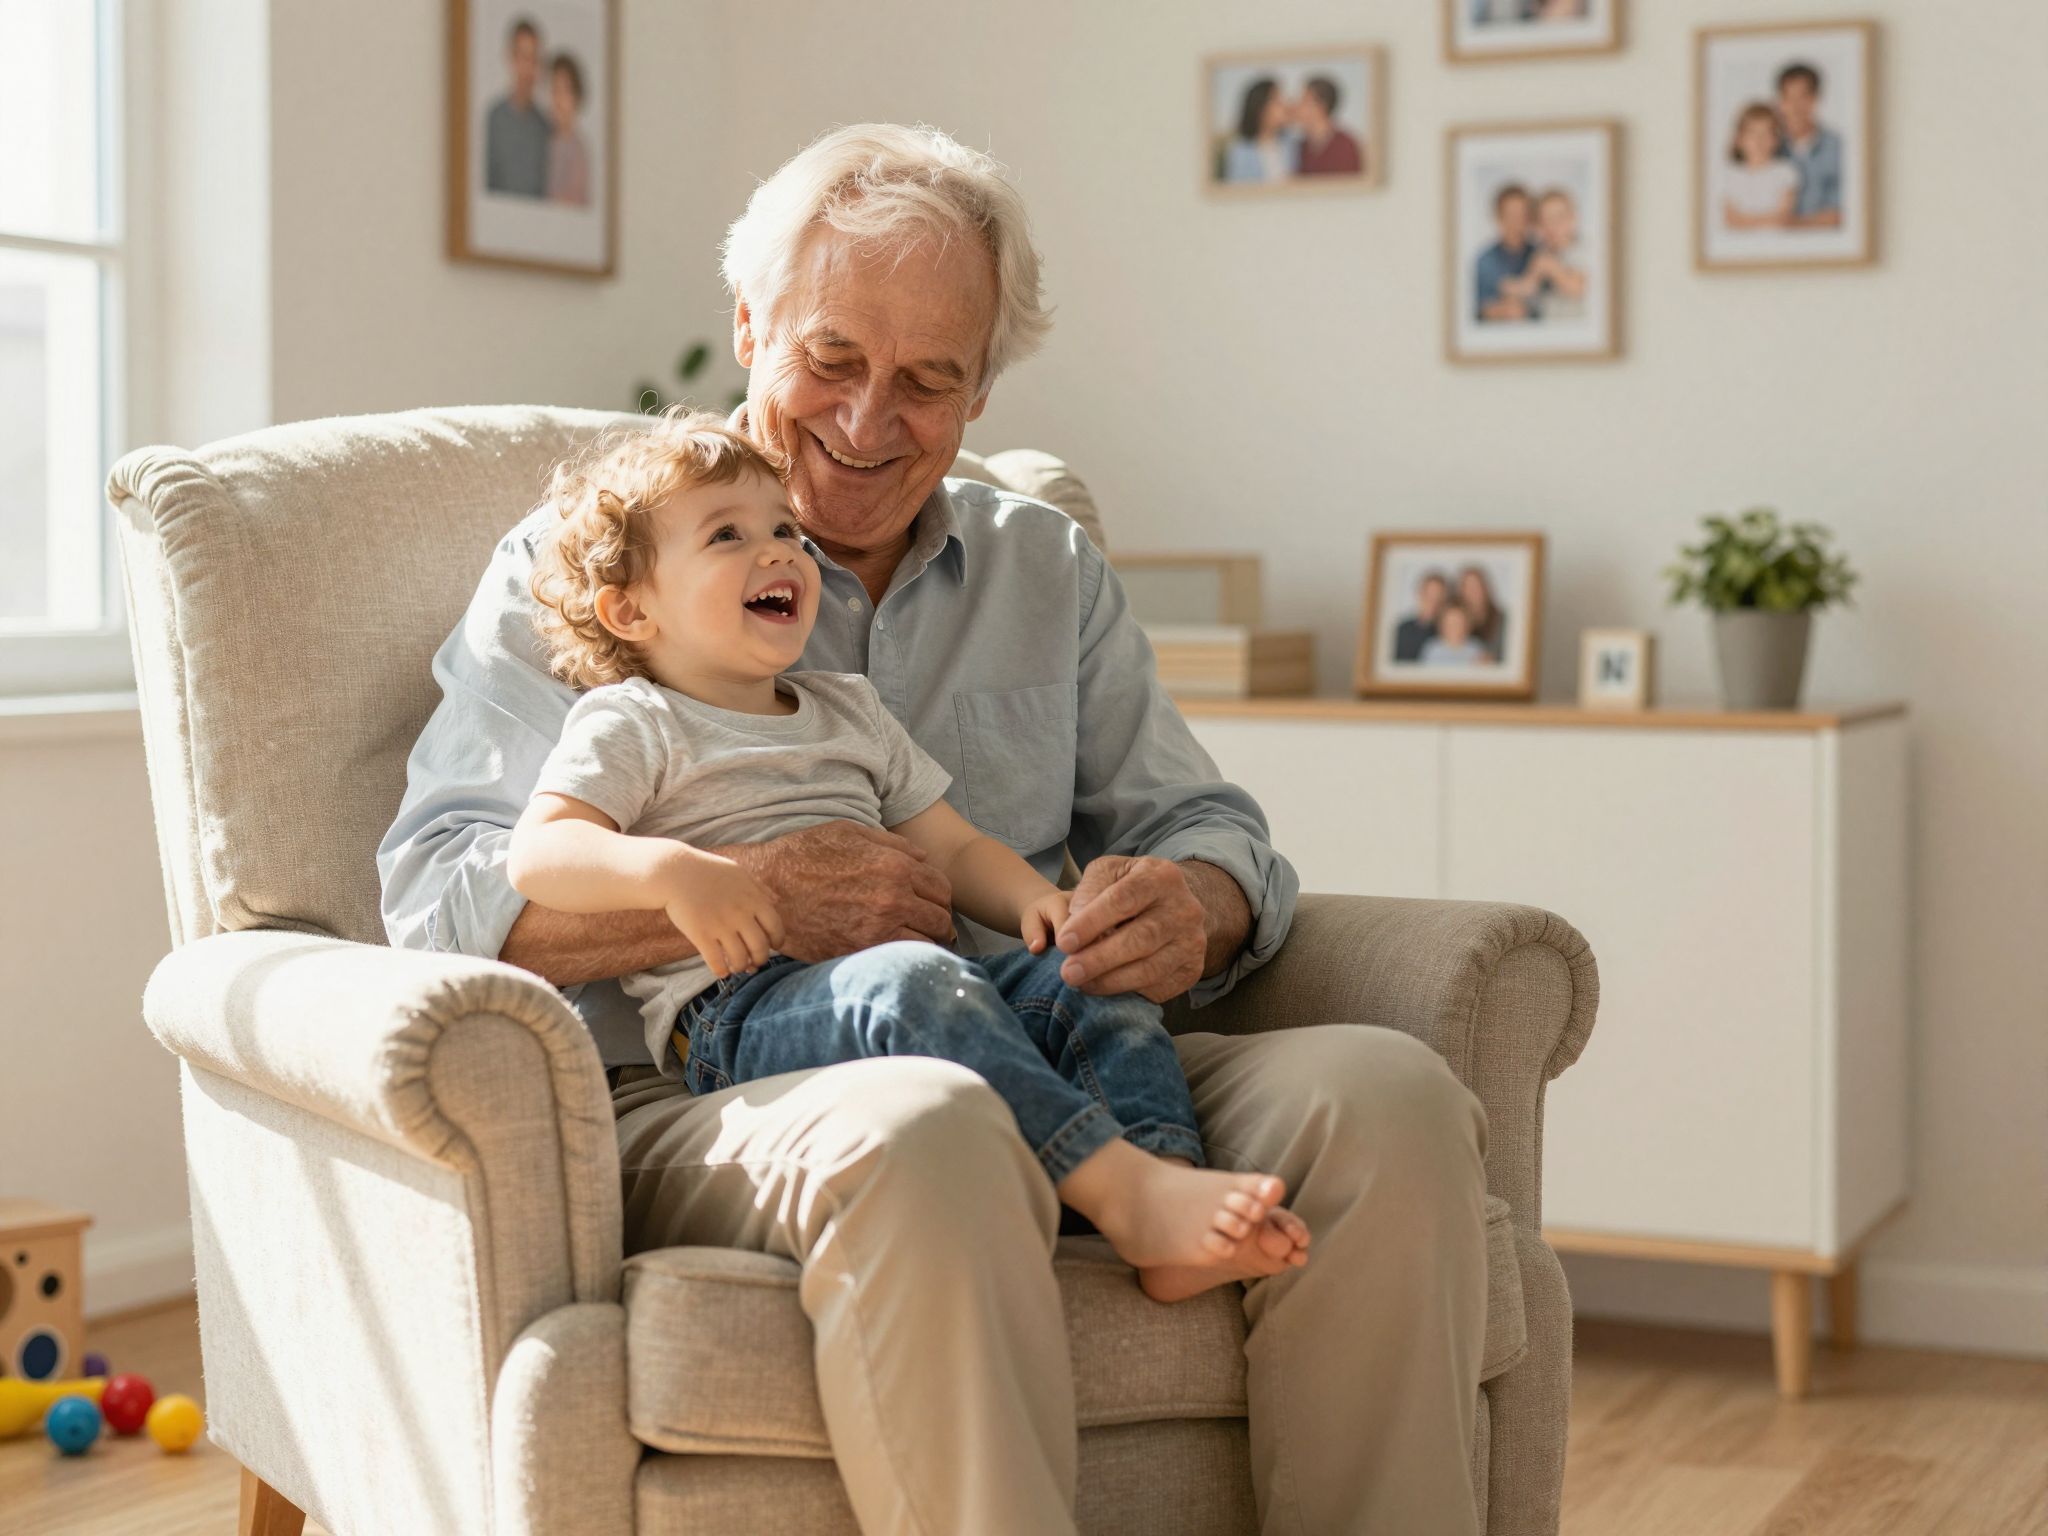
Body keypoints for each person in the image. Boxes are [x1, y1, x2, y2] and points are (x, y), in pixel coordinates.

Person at [380, 123, 1489, 1535]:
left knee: (1384, 1098)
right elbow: (436, 900)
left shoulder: (1043, 565)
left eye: (926, 380)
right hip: (709, 1083)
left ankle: (1152, 1198)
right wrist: (746, 894)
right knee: (934, 1122)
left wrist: (1192, 902)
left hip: (1022, 1025)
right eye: (831, 358)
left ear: (981, 390)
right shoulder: (604, 575)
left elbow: (1201, 824)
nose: (867, 421)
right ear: (749, 329)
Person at [509, 413, 1310, 1302]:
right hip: (739, 1014)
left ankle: (1171, 1195)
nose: (776, 552)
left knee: (1083, 977)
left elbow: (953, 843)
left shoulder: (847, 709)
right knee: (914, 981)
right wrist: (673, 875)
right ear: (631, 608)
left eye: (785, 530)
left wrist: (1041, 907)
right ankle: (1122, 1191)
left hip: (919, 984)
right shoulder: (633, 721)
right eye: (727, 535)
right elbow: (542, 852)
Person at [483, 17, 551, 198]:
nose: (528, 69)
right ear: (511, 58)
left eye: (534, 59)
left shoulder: (545, 127)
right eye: (524, 58)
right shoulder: (493, 119)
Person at [1777, 61, 1844, 227]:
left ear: (1816, 99)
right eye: (1788, 98)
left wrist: (1794, 225)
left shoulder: (1838, 148)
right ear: (1780, 101)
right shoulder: (1768, 147)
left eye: (1802, 97)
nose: (1795, 107)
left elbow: (1843, 214)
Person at [1721, 102, 1799, 230]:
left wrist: (1746, 220)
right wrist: (1766, 220)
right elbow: (1731, 219)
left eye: (1766, 133)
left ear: (1776, 139)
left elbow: (1783, 217)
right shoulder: (1731, 174)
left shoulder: (1785, 172)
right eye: (1752, 133)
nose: (1759, 140)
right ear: (1739, 139)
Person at [1522, 186, 1589, 321]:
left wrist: (1551, 268)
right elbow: (1528, 290)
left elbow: (1578, 289)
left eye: (1558, 218)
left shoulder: (1584, 250)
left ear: (1573, 218)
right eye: (1545, 221)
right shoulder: (1541, 253)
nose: (1551, 226)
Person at [1475, 183, 1536, 321]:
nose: (1517, 222)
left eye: (1522, 215)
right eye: (1511, 215)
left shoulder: (1538, 254)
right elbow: (1482, 308)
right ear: (1498, 217)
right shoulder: (1484, 262)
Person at [1222, 77, 1299, 184]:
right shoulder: (1239, 150)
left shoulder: (1292, 142)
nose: (1284, 105)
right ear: (1260, 109)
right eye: (1277, 100)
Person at [1293, 76, 1364, 178]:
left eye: (1304, 101)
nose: (1297, 106)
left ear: (1321, 106)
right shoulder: (1300, 148)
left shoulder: (1345, 145)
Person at [545, 52, 591, 206]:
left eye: (565, 91)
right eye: (554, 90)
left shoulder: (578, 151)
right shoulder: (543, 140)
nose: (558, 99)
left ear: (576, 97)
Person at [1394, 570, 1449, 662]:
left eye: (1438, 597)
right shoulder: (1403, 629)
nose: (1433, 602)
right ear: (1420, 594)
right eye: (1429, 595)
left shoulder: (1448, 632)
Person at [1457, 565, 1508, 662]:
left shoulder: (1501, 618)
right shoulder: (1456, 618)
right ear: (1461, 591)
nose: (1473, 591)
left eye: (1476, 585)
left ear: (1485, 588)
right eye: (1468, 587)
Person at [1420, 602, 1485, 665]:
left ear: (1467, 624)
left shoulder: (1476, 649)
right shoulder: (1432, 648)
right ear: (1442, 625)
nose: (1454, 626)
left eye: (1458, 623)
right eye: (1450, 622)